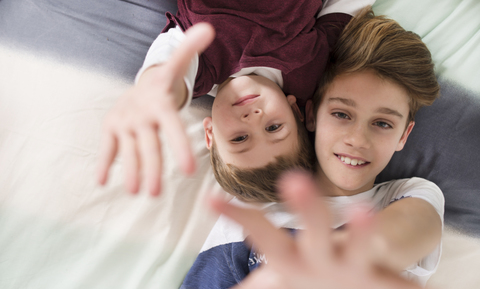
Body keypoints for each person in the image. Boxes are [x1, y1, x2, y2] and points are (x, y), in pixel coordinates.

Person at [178, 8, 459, 289]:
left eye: (382, 123)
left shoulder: (410, 195)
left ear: (404, 136)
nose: (358, 139)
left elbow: (409, 232)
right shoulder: (249, 216)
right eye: (341, 114)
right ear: (309, 115)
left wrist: (344, 253)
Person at [97, 0, 374, 201]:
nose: (253, 119)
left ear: (210, 133)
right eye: (274, 128)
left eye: (239, 139)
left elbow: (174, 63)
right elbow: (344, 10)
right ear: (296, 111)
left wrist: (154, 90)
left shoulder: (203, 71)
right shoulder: (307, 72)